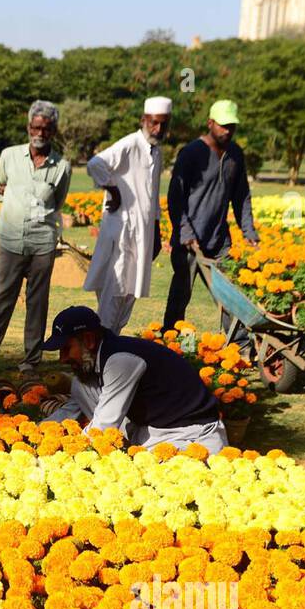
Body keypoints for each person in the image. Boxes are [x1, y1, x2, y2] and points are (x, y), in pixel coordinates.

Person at [40, 306, 226, 454]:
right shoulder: (100, 358)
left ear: (88, 340)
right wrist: (42, 431)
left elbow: (104, 426)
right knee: (80, 385)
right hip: (150, 429)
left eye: (66, 349)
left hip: (189, 434)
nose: (62, 358)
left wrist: (70, 450)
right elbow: (76, 405)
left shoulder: (120, 361)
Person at [0, 100, 73, 376]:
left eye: (46, 128)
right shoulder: (9, 156)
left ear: (54, 131)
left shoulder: (61, 167)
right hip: (10, 241)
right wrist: (18, 201)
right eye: (35, 127)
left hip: (42, 243)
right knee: (0, 300)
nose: (39, 133)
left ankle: (30, 361)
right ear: (29, 127)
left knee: (37, 303)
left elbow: (58, 201)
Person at [163, 99, 259, 334]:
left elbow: (241, 196)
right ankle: (170, 340)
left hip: (219, 241)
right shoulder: (191, 153)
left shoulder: (236, 155)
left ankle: (237, 344)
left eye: (232, 126)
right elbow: (175, 196)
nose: (228, 131)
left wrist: (249, 230)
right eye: (223, 125)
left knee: (230, 295)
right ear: (210, 123)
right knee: (181, 294)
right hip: (189, 242)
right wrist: (184, 230)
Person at [83, 96, 171, 334]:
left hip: (143, 233)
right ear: (144, 120)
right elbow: (95, 164)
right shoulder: (131, 143)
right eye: (154, 123)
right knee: (116, 290)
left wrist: (156, 232)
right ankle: (101, 352)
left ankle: (110, 346)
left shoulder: (157, 152)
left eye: (163, 124)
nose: (158, 128)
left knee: (130, 293)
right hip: (122, 232)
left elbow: (152, 196)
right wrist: (112, 189)